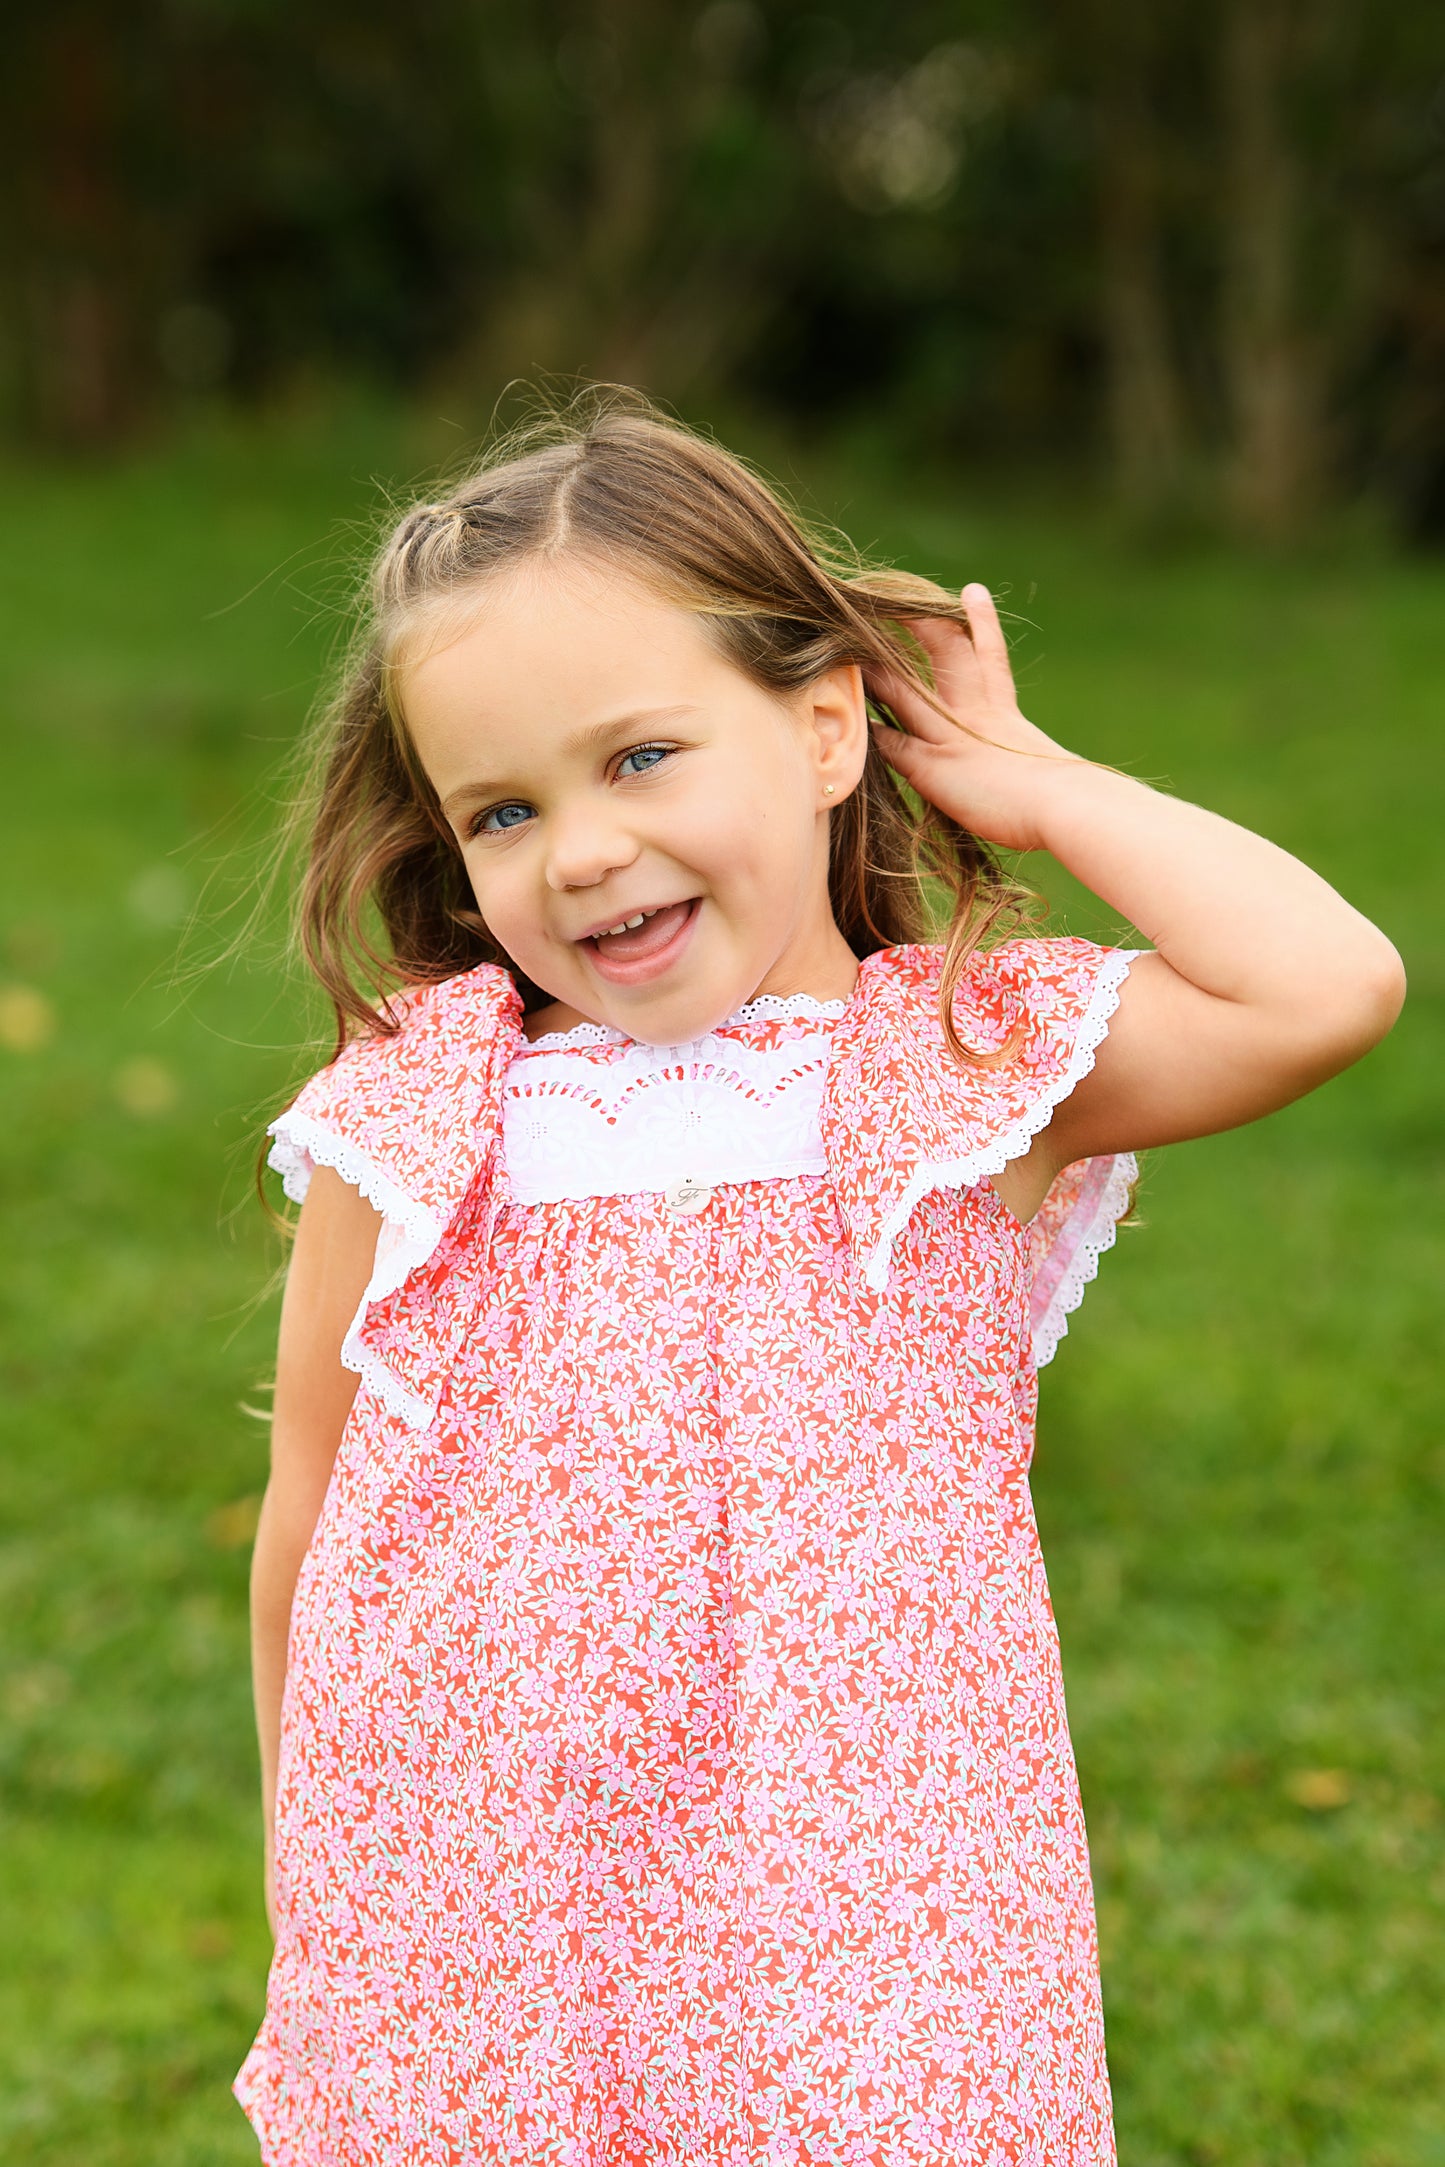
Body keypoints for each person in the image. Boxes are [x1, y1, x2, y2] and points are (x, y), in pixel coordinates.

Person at [234, 390, 1404, 2166]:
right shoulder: (427, 1108)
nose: (582, 852)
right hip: (487, 1922)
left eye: (640, 758)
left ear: (826, 726)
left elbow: (1320, 987)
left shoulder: (947, 1069)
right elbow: (310, 1509)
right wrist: (311, 1879)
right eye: (501, 811)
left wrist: (1027, 784)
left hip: (868, 1922)